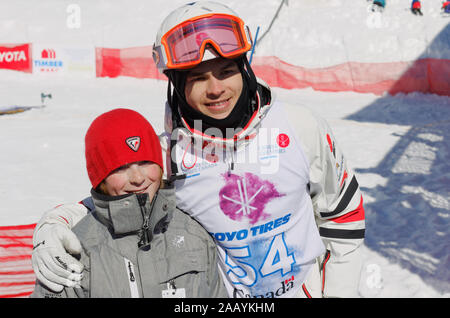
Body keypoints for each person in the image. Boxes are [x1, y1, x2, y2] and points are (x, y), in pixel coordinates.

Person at [31, 1, 365, 298]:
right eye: (198, 78)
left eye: (226, 71)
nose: (216, 89)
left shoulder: (299, 126)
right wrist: (55, 223)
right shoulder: (171, 154)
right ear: (177, 85)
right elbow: (119, 201)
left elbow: (344, 214)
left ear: (245, 70)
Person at [30, 108, 227, 298]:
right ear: (100, 179)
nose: (138, 178)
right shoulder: (77, 251)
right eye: (122, 167)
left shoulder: (194, 235)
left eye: (145, 162)